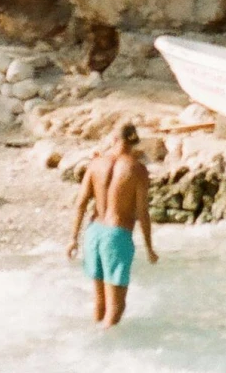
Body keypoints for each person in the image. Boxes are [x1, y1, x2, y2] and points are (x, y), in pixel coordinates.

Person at [68, 123, 160, 326]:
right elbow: (142, 213)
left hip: (93, 233)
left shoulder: (95, 164)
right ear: (133, 141)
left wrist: (73, 239)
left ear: (114, 139)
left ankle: (94, 346)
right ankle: (106, 347)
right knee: (116, 306)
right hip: (116, 235)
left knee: (99, 302)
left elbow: (81, 203)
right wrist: (150, 247)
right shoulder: (137, 169)